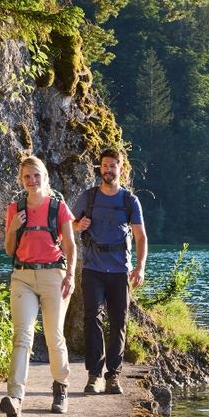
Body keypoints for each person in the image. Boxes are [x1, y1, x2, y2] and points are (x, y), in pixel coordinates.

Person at [1, 156, 77, 417]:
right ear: (21, 181)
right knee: (22, 336)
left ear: (46, 177)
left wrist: (71, 275)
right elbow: (10, 249)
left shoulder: (59, 208)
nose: (32, 181)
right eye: (27, 177)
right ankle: (15, 398)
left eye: (36, 176)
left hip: (53, 276)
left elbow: (70, 245)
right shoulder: (15, 208)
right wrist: (13, 227)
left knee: (54, 335)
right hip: (22, 276)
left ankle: (61, 388)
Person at [71, 148, 146, 395]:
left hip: (119, 270)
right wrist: (77, 224)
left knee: (119, 321)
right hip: (92, 268)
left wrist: (140, 267)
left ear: (121, 169)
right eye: (104, 165)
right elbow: (69, 223)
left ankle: (113, 375)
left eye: (113, 165)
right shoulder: (88, 197)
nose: (108, 169)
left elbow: (140, 236)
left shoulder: (129, 200)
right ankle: (94, 376)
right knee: (92, 319)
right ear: (100, 169)